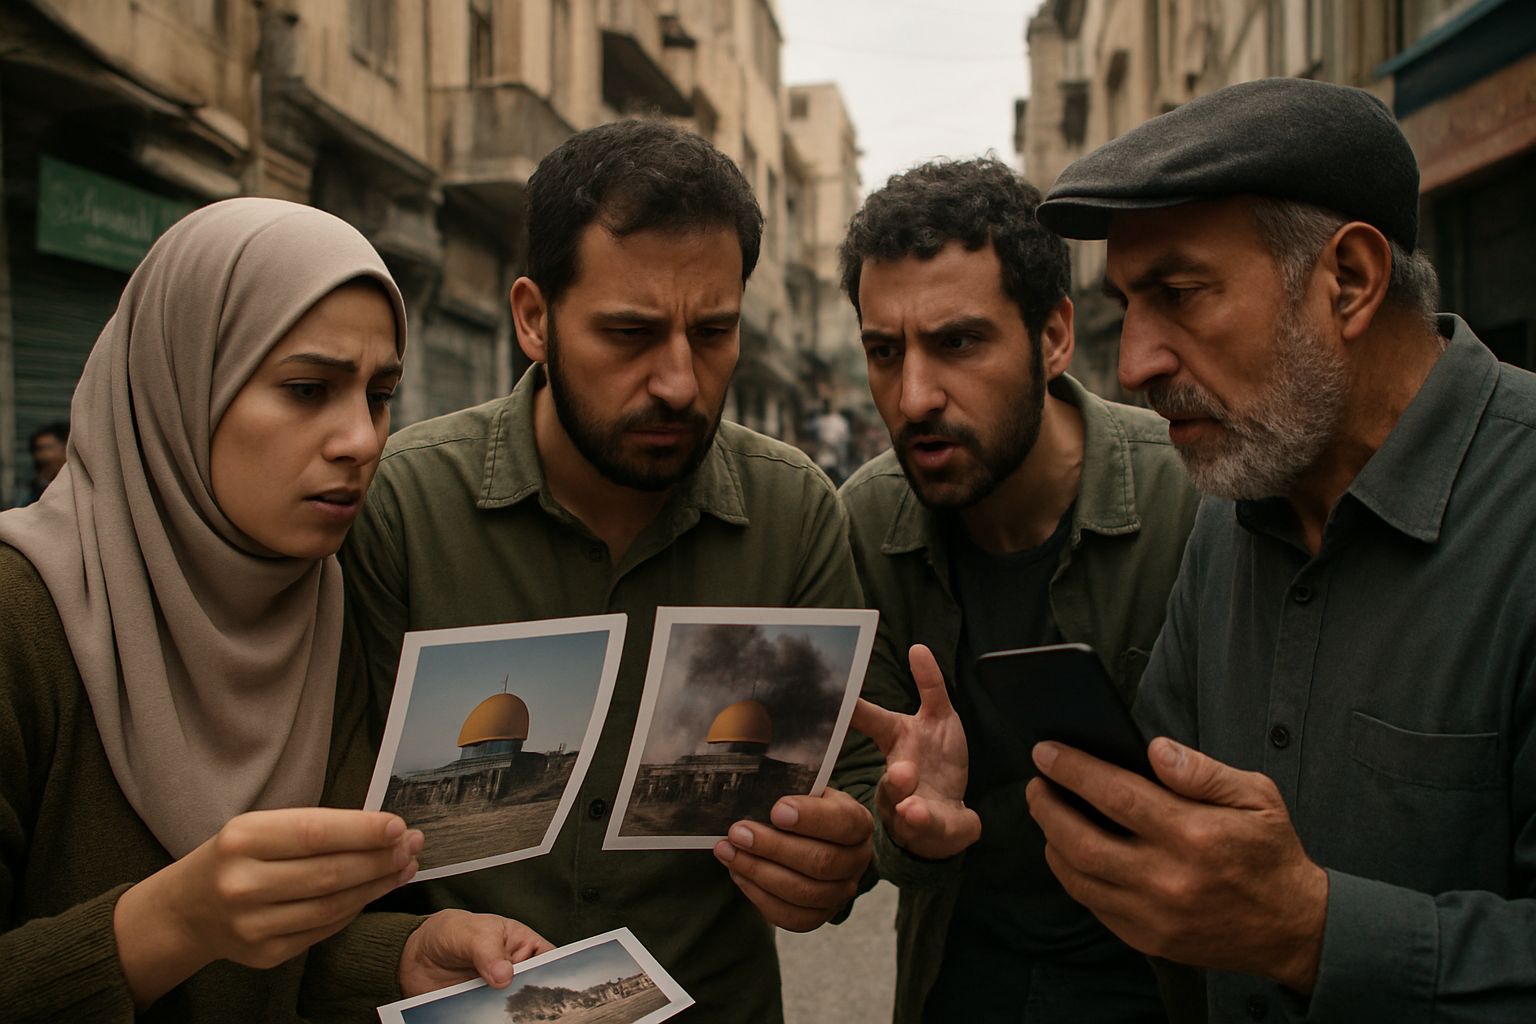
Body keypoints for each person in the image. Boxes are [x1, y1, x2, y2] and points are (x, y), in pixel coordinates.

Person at [1024, 76, 1536, 1021]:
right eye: (1130, 305)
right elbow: (1166, 840)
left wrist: (1310, 929)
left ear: (1348, 280)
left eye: (1180, 294)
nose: (1135, 364)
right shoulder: (1234, 503)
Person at [340, 119, 874, 1021]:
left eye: (713, 333)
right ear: (534, 318)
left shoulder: (794, 514)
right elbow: (327, 813)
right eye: (629, 333)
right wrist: (395, 948)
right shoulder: (402, 507)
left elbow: (849, 780)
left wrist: (842, 858)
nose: (678, 381)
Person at [0, 198, 549, 1023]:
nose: (361, 440)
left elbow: (288, 953)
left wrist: (403, 953)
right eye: (305, 388)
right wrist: (172, 920)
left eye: (377, 394)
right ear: (181, 383)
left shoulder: (327, 603)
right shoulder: (21, 620)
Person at [830, 158, 1200, 1022]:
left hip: (1162, 987)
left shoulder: (1191, 501)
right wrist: (907, 826)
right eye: (885, 353)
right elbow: (864, 816)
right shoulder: (865, 524)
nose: (914, 396)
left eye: (958, 342)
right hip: (958, 981)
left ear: (1054, 336)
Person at [25, 421, 69, 503]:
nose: (42, 454)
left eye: (48, 448)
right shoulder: (34, 482)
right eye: (39, 449)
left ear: (64, 447)